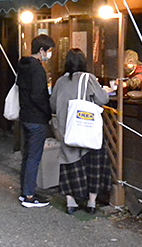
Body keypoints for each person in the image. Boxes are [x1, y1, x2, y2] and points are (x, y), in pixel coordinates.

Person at [50, 48, 111, 215]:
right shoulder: (88, 78)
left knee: (69, 166)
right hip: (86, 132)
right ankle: (91, 202)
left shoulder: (60, 81)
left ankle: (71, 202)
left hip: (67, 132)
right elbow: (103, 99)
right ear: (84, 63)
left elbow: (53, 105)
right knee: (93, 166)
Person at [17, 34, 55, 208]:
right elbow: (38, 96)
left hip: (24, 114)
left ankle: (25, 190)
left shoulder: (23, 65)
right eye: (49, 51)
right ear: (41, 50)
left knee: (27, 155)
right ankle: (30, 196)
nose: (50, 54)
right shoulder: (37, 69)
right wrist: (48, 112)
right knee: (34, 157)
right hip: (36, 118)